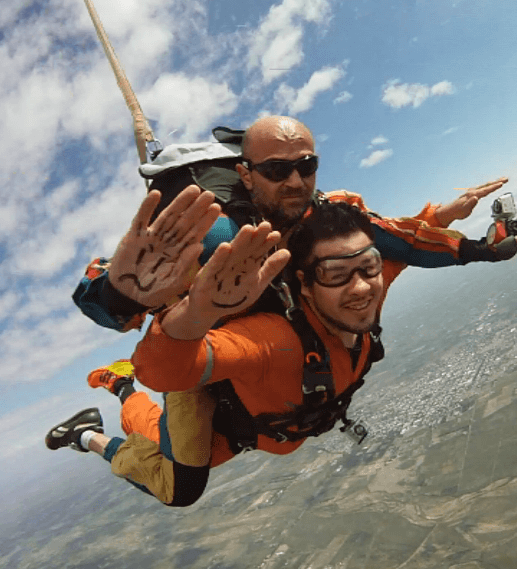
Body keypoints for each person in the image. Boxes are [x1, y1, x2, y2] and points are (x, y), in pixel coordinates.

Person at [47, 199, 408, 506]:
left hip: (245, 412)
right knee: (180, 485)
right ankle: (100, 415)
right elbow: (158, 365)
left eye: (368, 267)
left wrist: (452, 229)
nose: (360, 287)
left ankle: (121, 389)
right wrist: (183, 312)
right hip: (190, 360)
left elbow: (406, 247)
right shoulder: (270, 337)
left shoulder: (352, 293)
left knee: (178, 445)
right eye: (336, 273)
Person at [73, 115, 517, 333]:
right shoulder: (210, 228)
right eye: (277, 170)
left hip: (301, 322)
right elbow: (102, 291)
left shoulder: (329, 211)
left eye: (307, 165)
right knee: (184, 481)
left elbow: (401, 242)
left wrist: (488, 248)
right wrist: (123, 295)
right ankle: (110, 402)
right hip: (225, 334)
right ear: (245, 174)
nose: (296, 180)